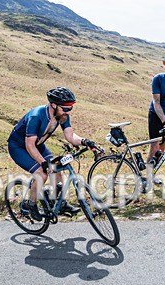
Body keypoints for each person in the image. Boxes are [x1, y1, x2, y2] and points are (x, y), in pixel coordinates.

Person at [7, 87, 98, 219]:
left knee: (56, 168)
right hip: (19, 147)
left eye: (70, 108)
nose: (68, 112)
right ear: (53, 105)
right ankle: (30, 204)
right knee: (41, 174)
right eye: (65, 108)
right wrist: (43, 163)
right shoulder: (36, 116)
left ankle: (59, 203)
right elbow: (29, 145)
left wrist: (85, 142)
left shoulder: (61, 115)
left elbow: (70, 136)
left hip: (37, 145)